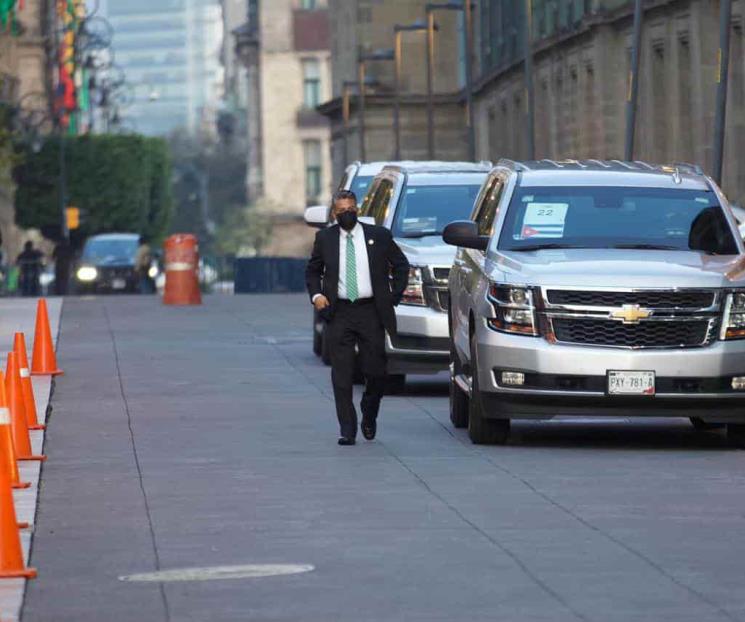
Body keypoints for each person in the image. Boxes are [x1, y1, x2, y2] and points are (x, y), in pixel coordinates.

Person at [305, 190, 409, 445]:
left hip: (370, 311)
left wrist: (392, 296)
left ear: (358, 209)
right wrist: (317, 296)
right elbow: (313, 271)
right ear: (333, 214)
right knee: (341, 373)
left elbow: (401, 265)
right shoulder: (325, 238)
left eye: (351, 209)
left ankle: (369, 412)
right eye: (341, 211)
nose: (347, 214)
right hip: (339, 311)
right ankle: (347, 429)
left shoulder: (379, 236)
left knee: (376, 371)